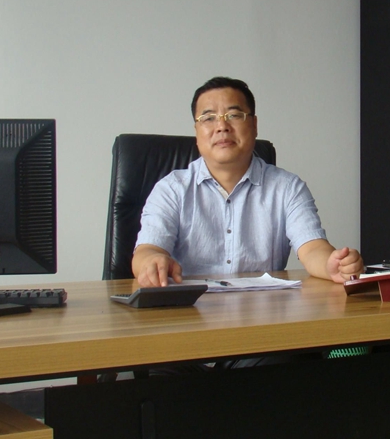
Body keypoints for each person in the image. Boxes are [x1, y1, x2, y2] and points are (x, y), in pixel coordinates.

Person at [132, 76, 363, 288]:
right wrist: (152, 261)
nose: (222, 126)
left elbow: (312, 248)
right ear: (196, 132)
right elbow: (147, 250)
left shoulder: (288, 188)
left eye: (234, 115)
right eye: (209, 118)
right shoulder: (171, 189)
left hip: (264, 312)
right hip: (190, 311)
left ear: (254, 125)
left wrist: (333, 264)